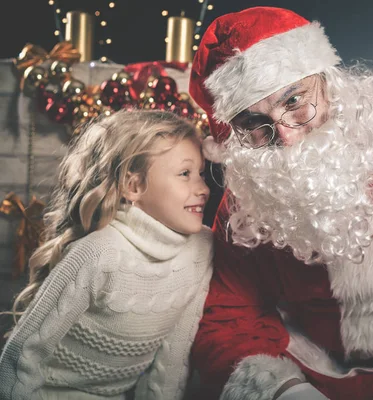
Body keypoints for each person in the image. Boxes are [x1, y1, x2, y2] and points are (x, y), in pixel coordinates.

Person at [188, 6, 373, 400]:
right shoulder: (249, 192)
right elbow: (226, 319)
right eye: (253, 125)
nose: (286, 137)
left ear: (329, 82)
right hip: (320, 380)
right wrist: (283, 389)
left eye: (294, 101)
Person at [0, 109, 214, 400]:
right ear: (134, 185)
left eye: (200, 173)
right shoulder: (97, 254)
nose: (202, 188)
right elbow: (23, 355)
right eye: (185, 174)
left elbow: (173, 359)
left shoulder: (201, 249)